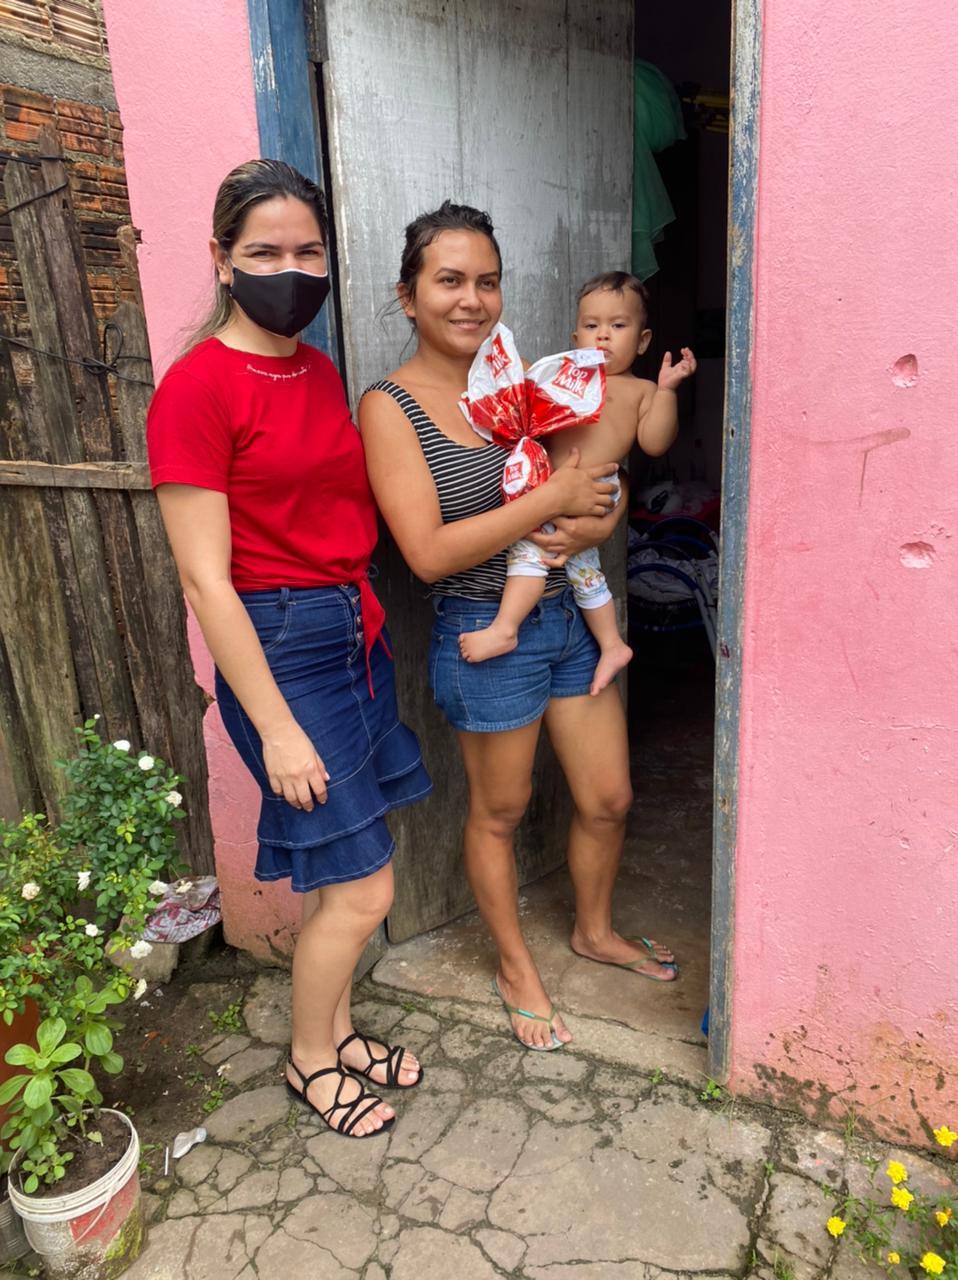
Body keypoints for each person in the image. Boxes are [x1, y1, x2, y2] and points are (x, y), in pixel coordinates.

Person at [147, 160, 431, 1138]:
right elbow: (205, 579)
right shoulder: (195, 389)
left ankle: (340, 1026)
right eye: (265, 251)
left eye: (307, 251)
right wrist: (274, 728)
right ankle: (313, 1060)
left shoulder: (311, 368)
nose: (290, 269)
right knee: (364, 885)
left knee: (343, 874)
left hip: (350, 633)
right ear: (222, 260)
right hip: (280, 649)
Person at [359, 202, 678, 1054]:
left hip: (570, 616)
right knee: (500, 813)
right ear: (409, 294)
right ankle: (512, 967)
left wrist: (592, 522)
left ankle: (593, 930)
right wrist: (552, 504)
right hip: (482, 626)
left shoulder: (524, 380)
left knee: (608, 798)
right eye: (450, 280)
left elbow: (593, 485)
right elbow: (425, 553)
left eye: (487, 281)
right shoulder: (391, 406)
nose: (472, 299)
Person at [460, 272, 696, 696]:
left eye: (617, 326)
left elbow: (655, 443)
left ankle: (506, 627)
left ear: (642, 341)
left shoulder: (640, 390)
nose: (602, 336)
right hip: (555, 487)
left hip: (597, 488)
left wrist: (666, 391)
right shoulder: (563, 378)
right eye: (591, 326)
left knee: (531, 550)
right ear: (575, 335)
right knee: (585, 570)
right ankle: (611, 645)